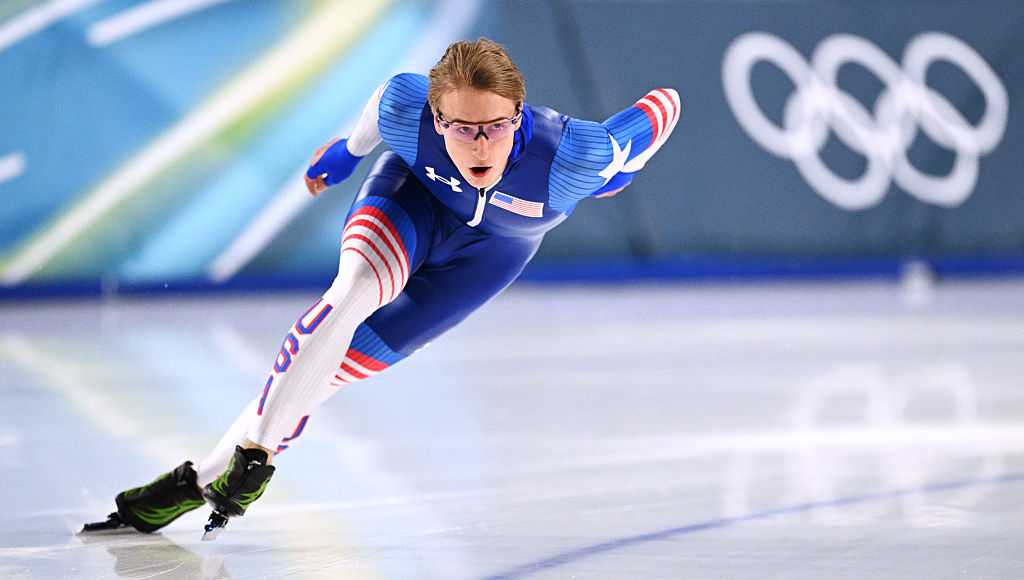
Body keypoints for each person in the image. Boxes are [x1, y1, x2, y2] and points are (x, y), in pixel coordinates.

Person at [84, 37, 681, 535]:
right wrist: (344, 156)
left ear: (518, 118)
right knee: (350, 295)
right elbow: (374, 113)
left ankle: (194, 481)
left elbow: (665, 105)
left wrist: (623, 168)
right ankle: (254, 460)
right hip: (413, 199)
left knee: (329, 375)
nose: (480, 145)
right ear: (435, 117)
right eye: (461, 128)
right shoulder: (407, 108)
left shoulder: (577, 155)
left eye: (495, 128)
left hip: (491, 254)